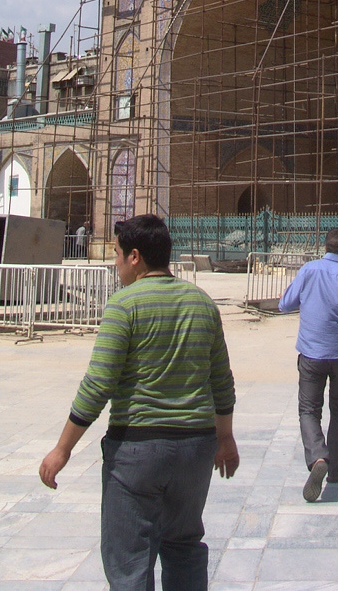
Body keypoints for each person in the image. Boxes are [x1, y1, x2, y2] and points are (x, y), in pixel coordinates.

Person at [39, 214, 239, 591]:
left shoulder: (123, 305)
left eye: (116, 254)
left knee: (129, 560)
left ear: (135, 257)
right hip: (195, 450)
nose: (114, 263)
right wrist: (225, 438)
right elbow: (221, 382)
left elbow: (98, 384)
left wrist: (61, 449)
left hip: (138, 451)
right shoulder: (203, 303)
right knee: (183, 547)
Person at [278, 226, 338, 502]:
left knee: (308, 409)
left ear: (325, 247)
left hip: (311, 353)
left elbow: (284, 304)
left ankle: (318, 455)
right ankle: (335, 468)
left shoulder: (308, 270)